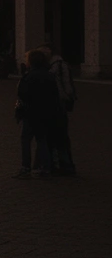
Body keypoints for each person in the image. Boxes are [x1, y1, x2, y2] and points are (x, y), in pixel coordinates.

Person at [15, 49, 62, 179]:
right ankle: (45, 167)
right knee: (42, 140)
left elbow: (22, 95)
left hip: (30, 113)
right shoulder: (49, 76)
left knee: (26, 140)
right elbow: (55, 95)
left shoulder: (28, 77)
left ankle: (25, 167)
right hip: (45, 113)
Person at [47, 44, 77, 175]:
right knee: (59, 136)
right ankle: (62, 164)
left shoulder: (58, 65)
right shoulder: (54, 65)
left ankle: (63, 164)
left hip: (58, 104)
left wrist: (64, 97)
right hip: (58, 104)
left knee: (59, 135)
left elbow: (67, 86)